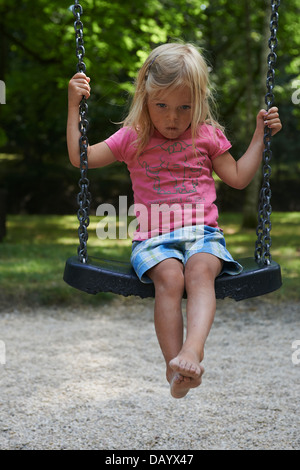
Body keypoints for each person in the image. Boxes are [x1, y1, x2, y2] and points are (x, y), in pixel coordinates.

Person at [67, 43, 282, 399]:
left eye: (184, 107)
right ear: (145, 97)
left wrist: (261, 136)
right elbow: (81, 159)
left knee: (200, 272)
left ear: (198, 102)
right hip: (154, 238)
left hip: (203, 235)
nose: (172, 118)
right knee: (169, 277)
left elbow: (239, 177)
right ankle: (176, 371)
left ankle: (192, 352)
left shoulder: (207, 134)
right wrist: (74, 106)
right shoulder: (133, 137)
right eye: (162, 106)